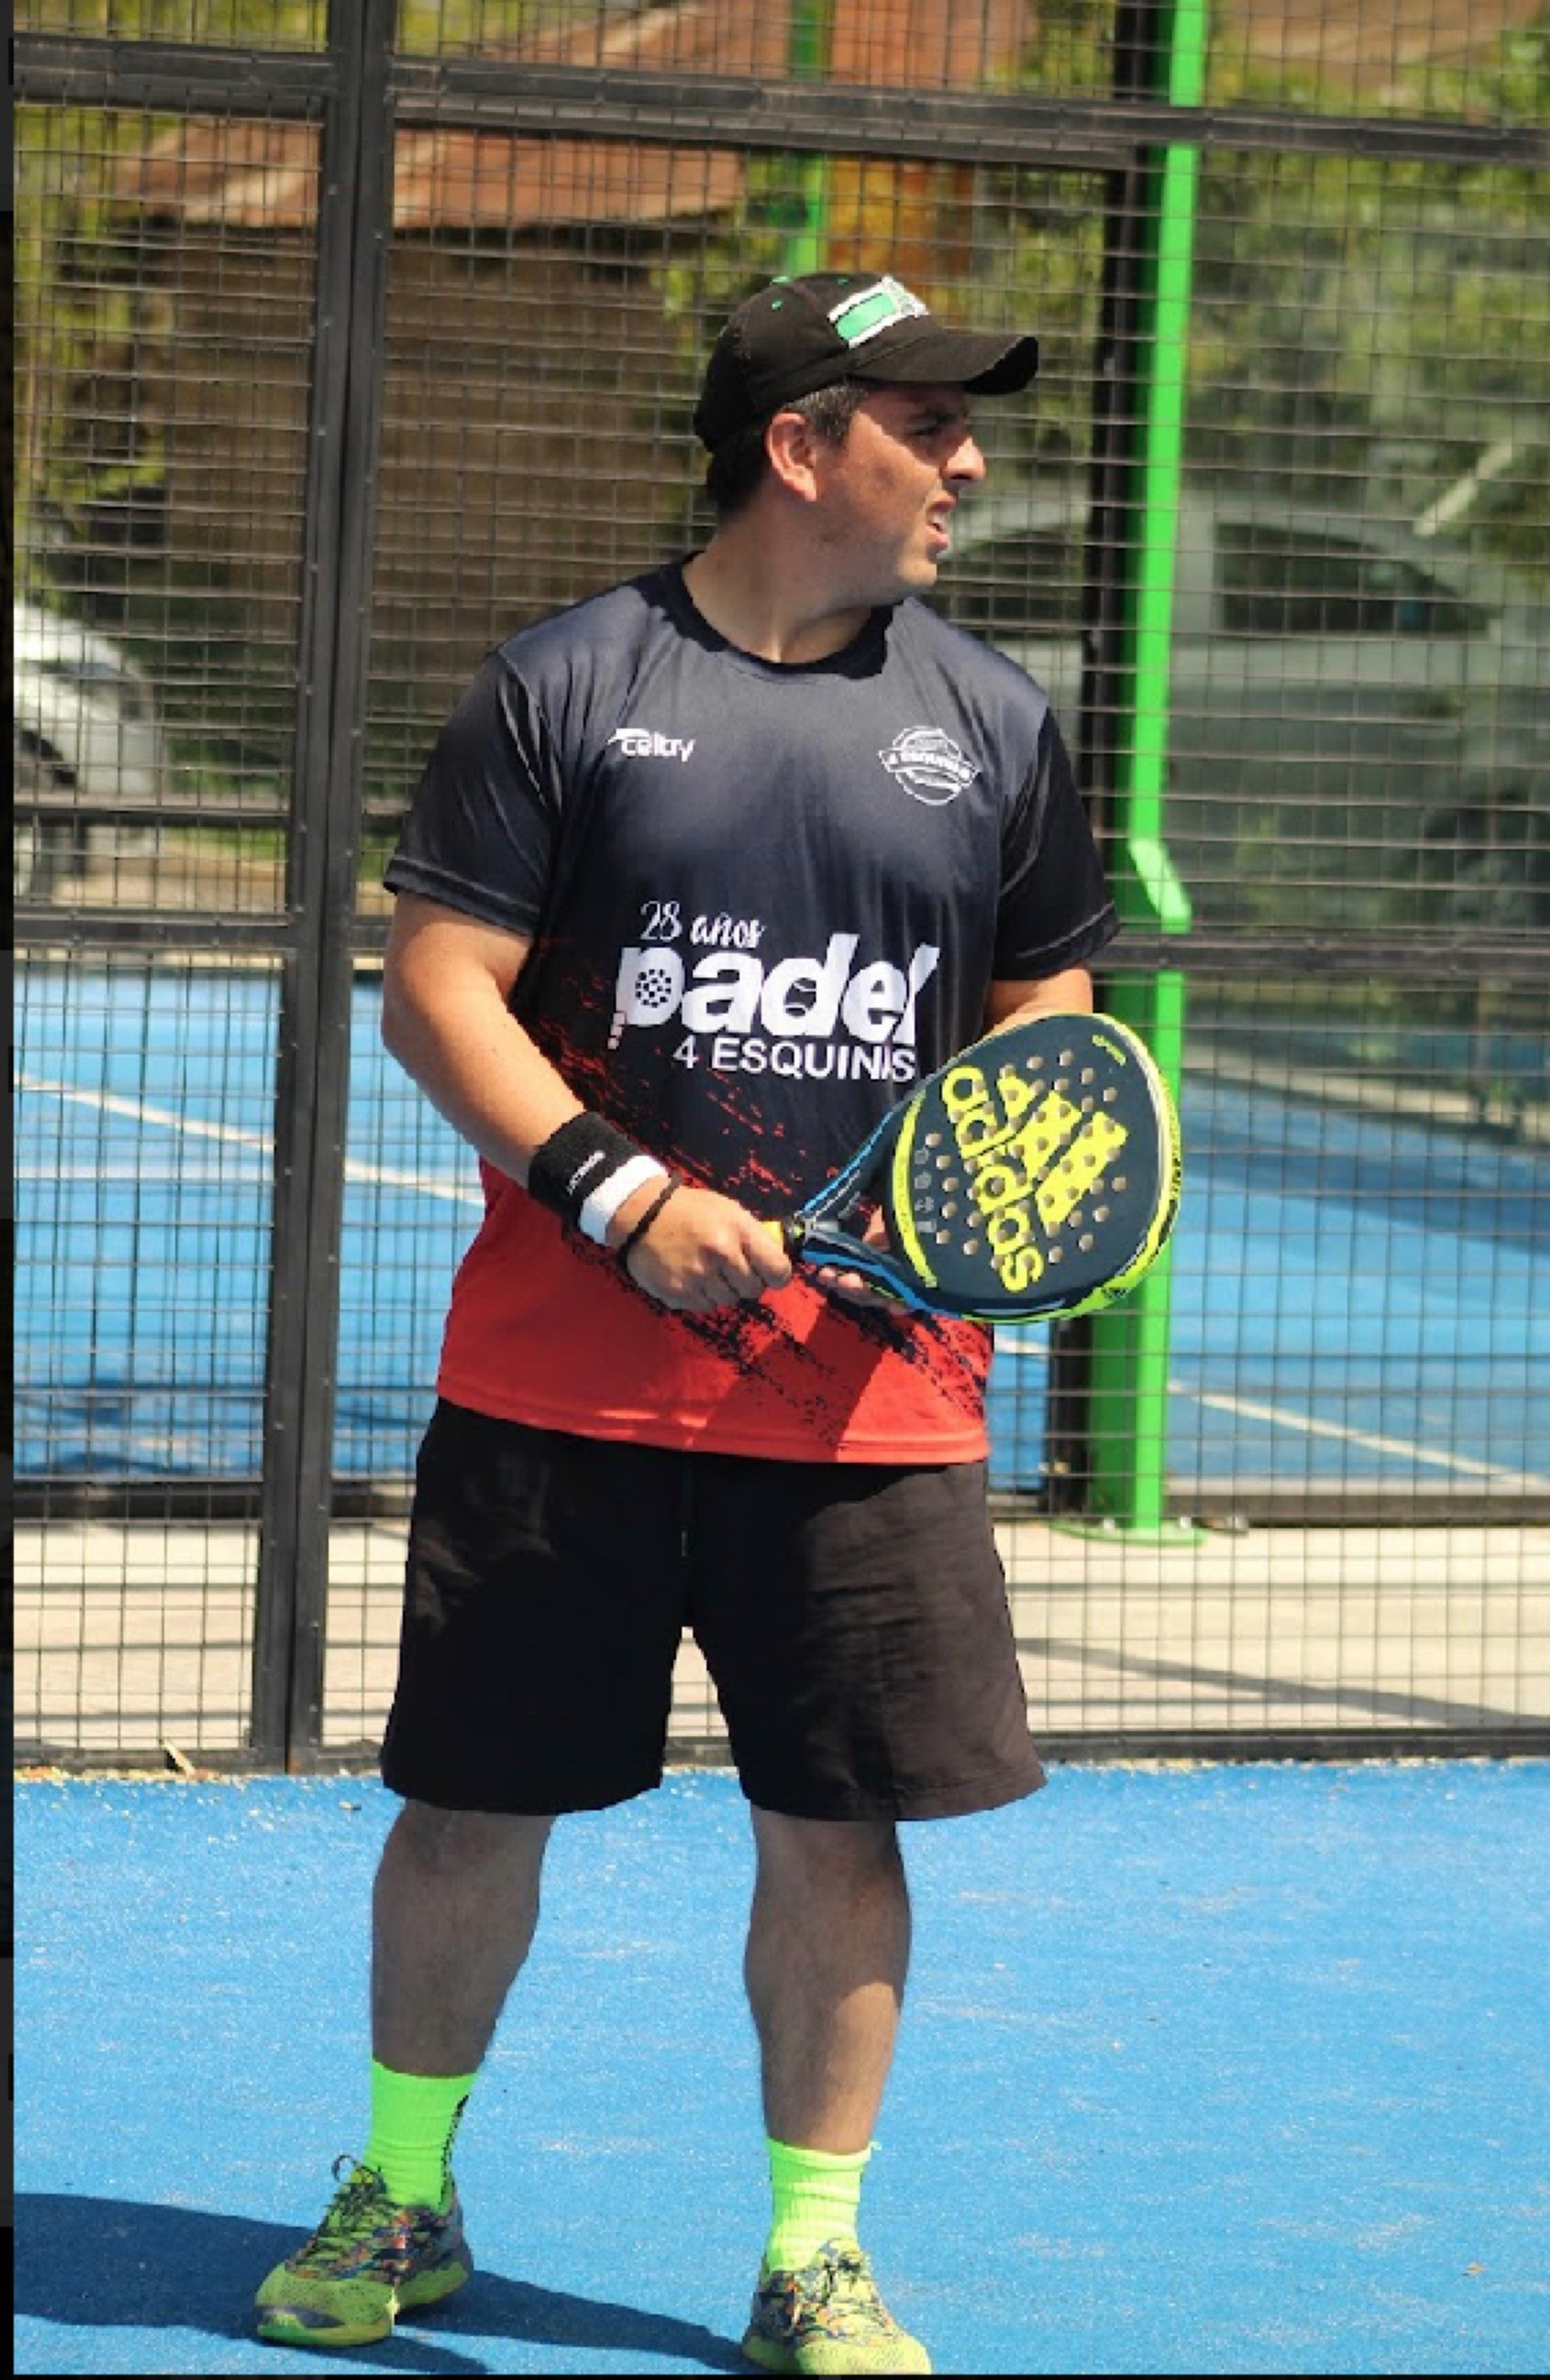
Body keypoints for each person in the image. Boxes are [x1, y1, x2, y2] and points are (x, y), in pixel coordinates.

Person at [254, 267, 1119, 2373]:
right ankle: (400, 2189)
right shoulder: (568, 684)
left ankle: (814, 2253)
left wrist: (988, 1191)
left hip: (872, 1409)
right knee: (471, 1807)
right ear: (800, 445)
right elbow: (438, 983)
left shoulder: (998, 721)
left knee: (842, 1828)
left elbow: (1046, 1010)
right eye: (926, 422)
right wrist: (619, 1194)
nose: (967, 461)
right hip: (559, 1393)